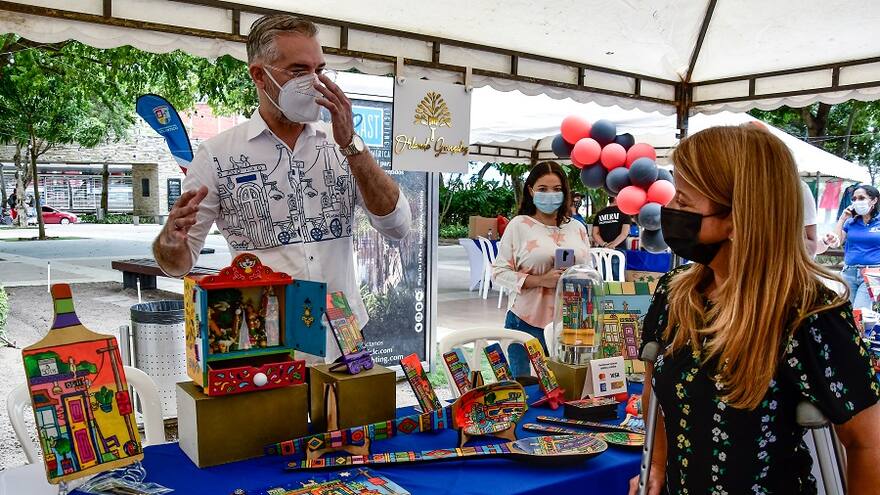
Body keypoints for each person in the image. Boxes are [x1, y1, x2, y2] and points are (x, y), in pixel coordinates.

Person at [629, 126, 880, 494]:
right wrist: (656, 464)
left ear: (737, 216)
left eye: (683, 200)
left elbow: (869, 443)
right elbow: (656, 388)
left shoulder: (809, 313)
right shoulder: (675, 292)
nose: (669, 211)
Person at [152, 14, 412, 363]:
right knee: (275, 421)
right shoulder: (215, 156)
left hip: (346, 336)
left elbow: (397, 225)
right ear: (259, 75)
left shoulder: (343, 145)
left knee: (349, 421)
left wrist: (352, 146)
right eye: (298, 70)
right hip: (266, 343)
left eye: (319, 69)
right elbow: (179, 263)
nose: (314, 82)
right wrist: (169, 241)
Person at [492, 162, 590, 376]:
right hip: (526, 322)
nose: (550, 195)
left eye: (557, 189)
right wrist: (541, 280)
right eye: (543, 189)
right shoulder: (519, 225)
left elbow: (588, 270)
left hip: (571, 324)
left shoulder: (578, 228)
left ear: (565, 192)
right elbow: (499, 273)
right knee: (527, 390)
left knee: (568, 389)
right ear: (531, 190)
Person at [826, 185, 880, 312]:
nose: (857, 202)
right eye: (854, 199)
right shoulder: (850, 222)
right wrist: (842, 218)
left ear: (874, 200)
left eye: (862, 198)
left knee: (860, 313)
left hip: (871, 274)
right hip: (849, 273)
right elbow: (836, 241)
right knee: (846, 313)